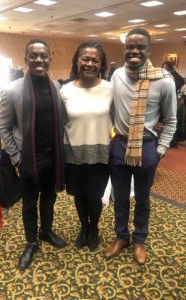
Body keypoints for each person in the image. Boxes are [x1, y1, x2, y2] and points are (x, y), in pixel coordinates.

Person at [104, 28, 177, 264]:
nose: (134, 51)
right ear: (125, 49)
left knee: (143, 199)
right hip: (120, 145)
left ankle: (140, 240)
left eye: (140, 47)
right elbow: (113, 109)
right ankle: (121, 237)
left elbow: (171, 119)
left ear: (149, 50)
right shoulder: (117, 76)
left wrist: (161, 149)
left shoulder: (164, 81)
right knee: (121, 197)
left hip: (147, 148)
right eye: (130, 47)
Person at [0, 38, 66, 271]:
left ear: (49, 58)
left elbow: (62, 120)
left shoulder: (56, 86)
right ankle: (30, 242)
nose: (39, 59)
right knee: (29, 203)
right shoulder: (13, 90)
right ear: (26, 59)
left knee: (49, 199)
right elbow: (4, 128)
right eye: (33, 55)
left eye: (43, 55)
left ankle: (46, 231)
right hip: (28, 159)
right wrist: (17, 157)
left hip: (52, 156)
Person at [60, 41, 113, 250]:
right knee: (79, 194)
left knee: (94, 195)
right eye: (85, 59)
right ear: (77, 61)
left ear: (101, 64)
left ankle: (95, 229)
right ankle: (84, 228)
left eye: (95, 60)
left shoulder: (110, 89)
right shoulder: (65, 91)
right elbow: (61, 123)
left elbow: (120, 119)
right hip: (72, 153)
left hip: (100, 154)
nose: (89, 63)